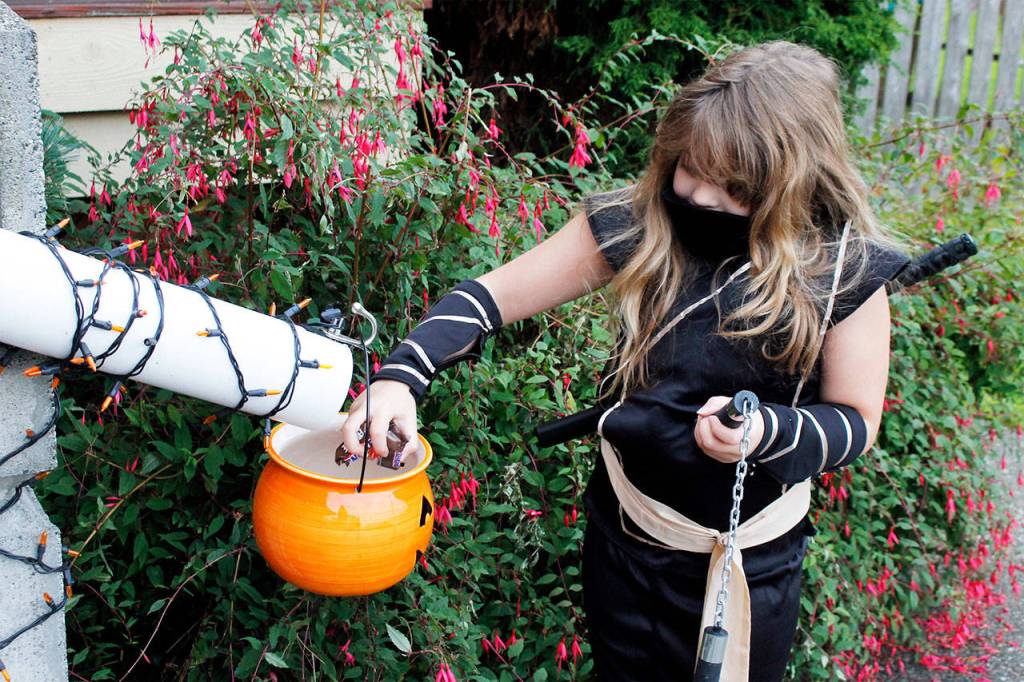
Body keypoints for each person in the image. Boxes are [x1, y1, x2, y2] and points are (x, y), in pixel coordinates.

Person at [339, 40, 911, 681]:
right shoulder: (642, 223)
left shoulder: (843, 271)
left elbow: (857, 423)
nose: (702, 197)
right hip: (625, 541)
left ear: (790, 181)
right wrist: (398, 377)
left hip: (750, 566)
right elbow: (488, 298)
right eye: (691, 167)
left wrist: (764, 432)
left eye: (737, 187)